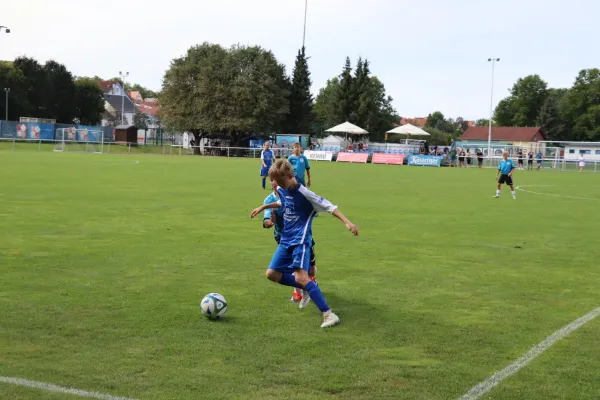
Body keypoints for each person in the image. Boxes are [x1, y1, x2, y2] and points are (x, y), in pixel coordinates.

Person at [250, 160, 359, 328]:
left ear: (290, 176)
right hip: (285, 240)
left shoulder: (306, 194)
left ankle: (328, 314)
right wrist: (263, 206)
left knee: (301, 277)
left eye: (280, 182)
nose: (278, 186)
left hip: (300, 241)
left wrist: (348, 223)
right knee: (272, 274)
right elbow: (282, 202)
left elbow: (330, 206)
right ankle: (308, 286)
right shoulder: (282, 188)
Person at [262, 179, 318, 304]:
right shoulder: (269, 200)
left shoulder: (294, 195)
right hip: (284, 238)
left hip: (302, 236)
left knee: (312, 270)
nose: (275, 182)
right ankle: (300, 292)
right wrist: (270, 222)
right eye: (272, 180)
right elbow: (266, 221)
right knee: (295, 268)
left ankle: (309, 284)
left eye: (278, 178)